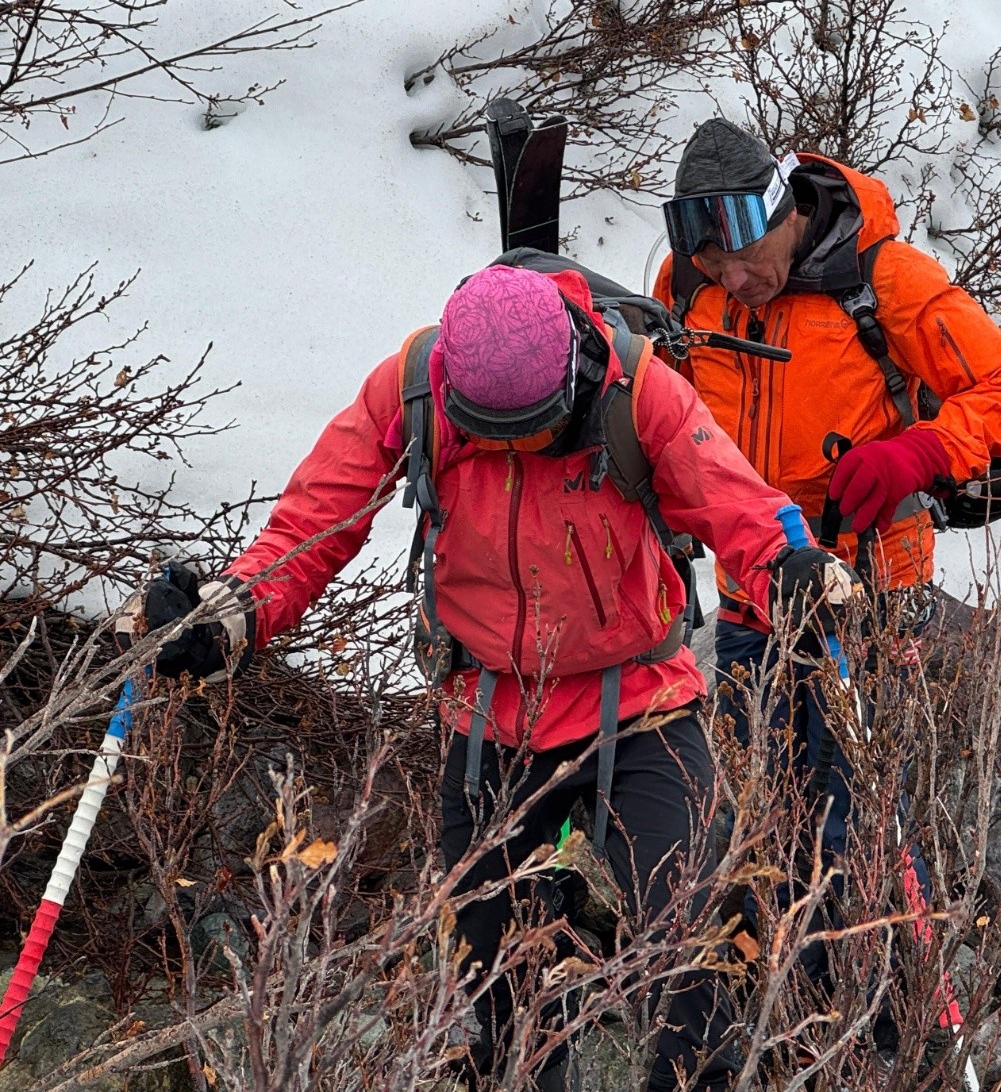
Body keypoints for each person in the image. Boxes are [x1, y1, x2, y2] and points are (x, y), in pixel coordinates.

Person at [134, 260, 858, 1091]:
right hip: (489, 720)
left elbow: (739, 508)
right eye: (493, 433)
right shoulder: (413, 389)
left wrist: (795, 573)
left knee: (689, 946)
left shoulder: (638, 391)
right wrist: (231, 614)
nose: (514, 448)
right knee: (487, 988)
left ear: (571, 382)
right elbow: (315, 521)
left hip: (644, 703)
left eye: (533, 431)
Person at [652, 118, 1001, 899]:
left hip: (868, 598)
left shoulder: (885, 279)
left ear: (785, 212)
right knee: (766, 819)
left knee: (863, 826)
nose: (736, 281)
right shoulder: (686, 287)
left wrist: (922, 451)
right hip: (750, 597)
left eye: (747, 259)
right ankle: (796, 998)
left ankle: (895, 1003)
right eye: (716, 267)